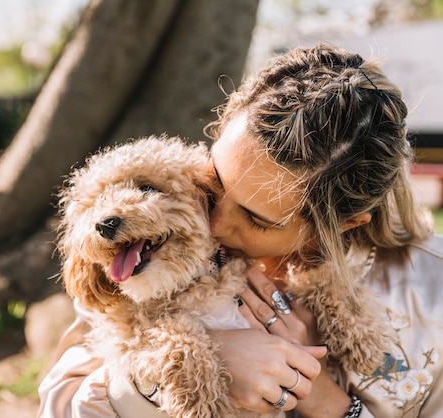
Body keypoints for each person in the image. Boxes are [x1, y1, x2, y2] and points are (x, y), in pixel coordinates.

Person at [37, 44, 443, 417]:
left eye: (257, 219)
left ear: (344, 223)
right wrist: (159, 378)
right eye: (215, 183)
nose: (214, 223)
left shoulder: (431, 295)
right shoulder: (151, 252)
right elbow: (59, 405)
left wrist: (320, 396)